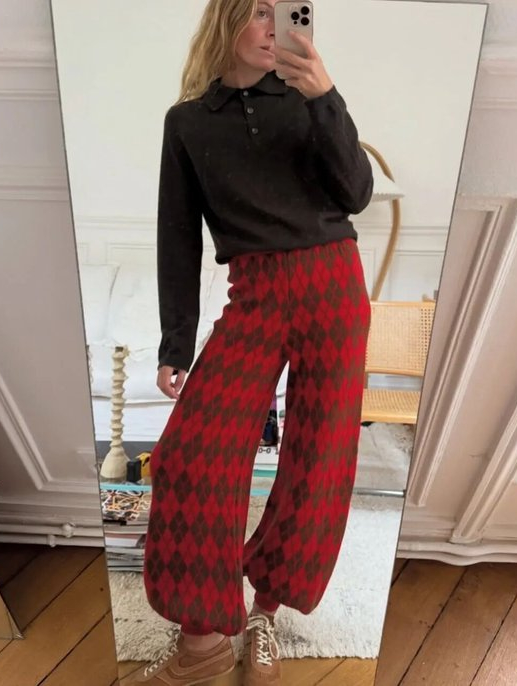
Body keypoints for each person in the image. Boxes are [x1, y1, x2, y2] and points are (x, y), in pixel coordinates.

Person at [125, 0, 373, 684]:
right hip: (255, 293)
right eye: (261, 11)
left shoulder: (308, 99)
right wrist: (175, 344)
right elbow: (177, 235)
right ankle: (202, 641)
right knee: (189, 456)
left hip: (333, 285)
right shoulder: (186, 123)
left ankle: (265, 610)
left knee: (318, 459)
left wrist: (325, 98)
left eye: (285, 12)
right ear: (228, 18)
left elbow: (356, 193)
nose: (275, 26)